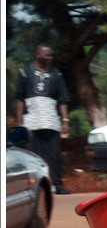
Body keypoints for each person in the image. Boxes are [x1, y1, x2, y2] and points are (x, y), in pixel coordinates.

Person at [14, 43, 72, 194]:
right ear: (38, 55)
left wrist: (65, 120)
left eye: (51, 55)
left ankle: (57, 185)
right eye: (47, 55)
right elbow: (20, 99)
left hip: (51, 121)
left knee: (54, 155)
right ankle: (36, 188)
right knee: (33, 156)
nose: (50, 58)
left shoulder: (56, 74)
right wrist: (19, 122)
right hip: (31, 121)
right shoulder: (25, 72)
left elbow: (63, 99)